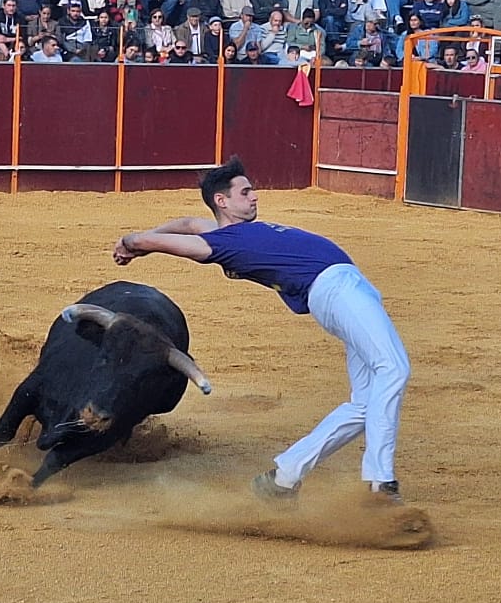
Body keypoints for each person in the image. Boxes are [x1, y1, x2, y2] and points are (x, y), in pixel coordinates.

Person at [112, 159, 410, 501]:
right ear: (223, 201)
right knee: (393, 368)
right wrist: (132, 242)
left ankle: (283, 478)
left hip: (344, 293)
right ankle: (380, 483)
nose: (255, 197)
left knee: (365, 404)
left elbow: (186, 223)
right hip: (337, 290)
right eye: (246, 191)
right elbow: (174, 242)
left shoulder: (223, 233)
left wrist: (141, 245)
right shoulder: (222, 245)